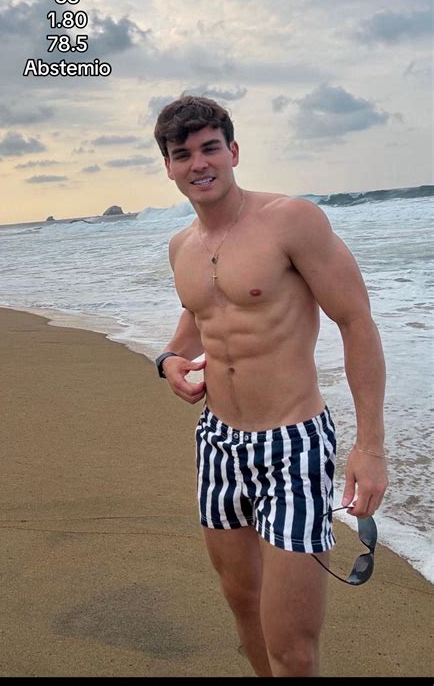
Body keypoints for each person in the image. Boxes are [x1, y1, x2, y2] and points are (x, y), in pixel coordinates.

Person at [153, 95, 388, 678]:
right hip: (219, 445)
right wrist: (168, 361)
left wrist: (370, 447)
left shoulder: (292, 221)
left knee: (292, 645)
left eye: (210, 148)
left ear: (233, 151)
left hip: (294, 445)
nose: (198, 163)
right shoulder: (181, 247)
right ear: (169, 166)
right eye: (183, 154)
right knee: (243, 606)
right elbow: (193, 323)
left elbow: (356, 321)